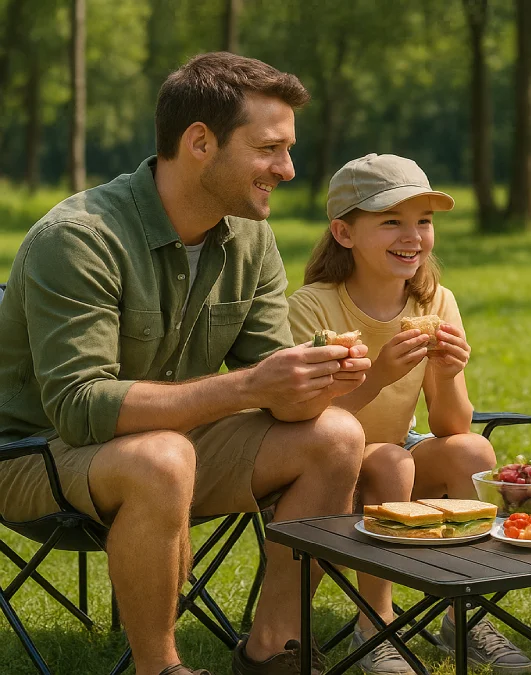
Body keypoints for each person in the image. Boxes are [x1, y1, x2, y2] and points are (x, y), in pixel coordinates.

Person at [0, 52, 373, 675]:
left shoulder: (250, 239)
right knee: (162, 456)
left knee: (335, 437)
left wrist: (315, 378)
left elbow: (270, 380)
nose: (287, 169)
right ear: (200, 142)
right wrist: (251, 386)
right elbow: (79, 406)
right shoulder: (79, 238)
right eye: (269, 149)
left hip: (172, 446)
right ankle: (162, 669)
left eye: (288, 149)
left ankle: (272, 654)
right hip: (36, 453)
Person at [287, 154, 531, 675]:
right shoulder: (311, 307)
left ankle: (463, 612)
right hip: (324, 466)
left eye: (424, 221)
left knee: (474, 450)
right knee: (392, 463)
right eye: (392, 221)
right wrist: (376, 375)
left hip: (399, 450)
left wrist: (446, 369)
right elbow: (307, 418)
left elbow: (451, 426)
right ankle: (376, 624)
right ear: (344, 232)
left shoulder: (436, 301)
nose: (413, 235)